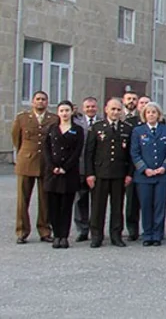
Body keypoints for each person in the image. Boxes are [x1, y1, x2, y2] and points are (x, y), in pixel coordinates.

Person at [85, 98, 133, 248]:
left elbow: (130, 155)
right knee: (98, 207)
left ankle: (116, 235)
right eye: (113, 109)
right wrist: (90, 174)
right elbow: (89, 153)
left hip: (119, 174)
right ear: (106, 109)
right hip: (100, 173)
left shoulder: (127, 128)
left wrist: (129, 174)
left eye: (118, 110)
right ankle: (96, 236)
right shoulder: (97, 127)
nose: (115, 112)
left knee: (117, 207)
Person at [130, 103, 166, 247]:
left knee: (159, 205)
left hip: (162, 175)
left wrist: (164, 167)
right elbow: (135, 152)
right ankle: (147, 234)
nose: (151, 114)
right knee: (146, 205)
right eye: (148, 112)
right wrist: (144, 169)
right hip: (144, 176)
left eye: (154, 112)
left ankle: (157, 234)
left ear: (159, 115)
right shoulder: (138, 131)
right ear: (144, 115)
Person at [12, 90, 56, 244]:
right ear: (32, 102)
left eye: (43, 99)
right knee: (22, 200)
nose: (40, 102)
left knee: (45, 199)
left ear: (47, 102)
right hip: (26, 162)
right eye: (38, 99)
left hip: (45, 163)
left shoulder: (53, 119)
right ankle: (22, 231)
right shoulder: (22, 118)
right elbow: (16, 139)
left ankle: (44, 230)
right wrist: (24, 155)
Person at [43, 101, 85, 248]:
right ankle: (56, 235)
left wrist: (65, 167)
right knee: (53, 206)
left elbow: (77, 152)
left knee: (66, 206)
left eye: (67, 110)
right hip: (53, 173)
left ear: (71, 112)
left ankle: (64, 236)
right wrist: (52, 167)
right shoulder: (52, 128)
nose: (64, 113)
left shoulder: (77, 130)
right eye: (61, 110)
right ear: (58, 112)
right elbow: (46, 149)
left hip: (69, 173)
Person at [72, 97, 100, 242]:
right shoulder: (76, 123)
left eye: (93, 106)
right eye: (88, 107)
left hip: (99, 169)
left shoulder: (102, 122)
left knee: (97, 201)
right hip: (81, 168)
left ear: (97, 108)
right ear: (83, 108)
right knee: (81, 200)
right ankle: (82, 229)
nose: (90, 109)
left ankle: (96, 229)